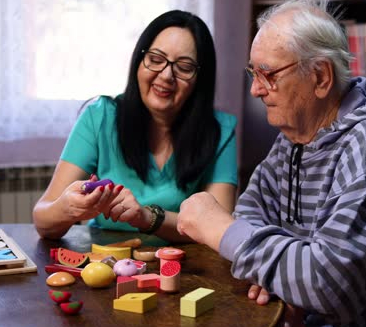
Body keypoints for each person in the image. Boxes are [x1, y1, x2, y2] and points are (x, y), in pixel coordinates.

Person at [176, 1, 366, 326]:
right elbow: (253, 211)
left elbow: (333, 287)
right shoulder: (295, 133)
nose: (254, 89)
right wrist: (283, 280)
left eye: (267, 74)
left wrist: (218, 227)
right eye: (253, 72)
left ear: (320, 77)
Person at [33, 10, 237, 243]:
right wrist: (67, 207)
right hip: (103, 264)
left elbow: (219, 231)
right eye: (156, 59)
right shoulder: (100, 116)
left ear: (200, 79)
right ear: (139, 61)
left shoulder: (220, 130)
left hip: (182, 269)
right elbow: (43, 221)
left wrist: (146, 217)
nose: (166, 75)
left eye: (184, 67)